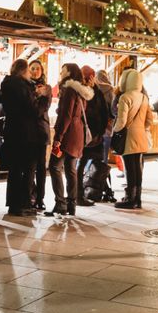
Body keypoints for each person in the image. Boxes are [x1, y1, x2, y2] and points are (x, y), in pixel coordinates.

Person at [46, 63, 92, 216]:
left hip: (68, 134)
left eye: (63, 70)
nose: (60, 72)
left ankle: (60, 203)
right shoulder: (80, 90)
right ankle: (71, 203)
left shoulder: (69, 90)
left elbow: (66, 115)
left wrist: (58, 137)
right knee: (71, 169)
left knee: (54, 166)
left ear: (69, 73)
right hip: (77, 133)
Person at [0, 59, 43, 216]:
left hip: (12, 131)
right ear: (24, 71)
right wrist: (40, 97)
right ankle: (23, 204)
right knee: (26, 170)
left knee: (15, 171)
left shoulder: (7, 84)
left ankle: (13, 203)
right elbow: (33, 110)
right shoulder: (22, 86)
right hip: (26, 134)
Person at [113, 68, 154, 210]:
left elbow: (121, 122)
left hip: (129, 137)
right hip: (141, 135)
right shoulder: (144, 97)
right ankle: (138, 198)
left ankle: (130, 199)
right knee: (137, 167)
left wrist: (114, 131)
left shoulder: (125, 97)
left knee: (129, 168)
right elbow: (149, 119)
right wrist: (141, 128)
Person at [79, 65, 111, 203]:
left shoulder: (97, 91)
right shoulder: (80, 91)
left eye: (91, 77)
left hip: (97, 134)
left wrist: (102, 130)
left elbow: (103, 111)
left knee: (97, 163)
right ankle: (79, 194)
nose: (89, 79)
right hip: (85, 135)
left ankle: (96, 190)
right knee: (81, 164)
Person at [28, 60, 52, 211]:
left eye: (38, 69)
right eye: (32, 69)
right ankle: (32, 194)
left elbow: (40, 109)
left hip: (41, 131)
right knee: (30, 166)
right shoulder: (27, 86)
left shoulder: (47, 88)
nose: (35, 71)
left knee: (41, 168)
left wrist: (35, 96)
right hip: (28, 132)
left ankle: (40, 198)